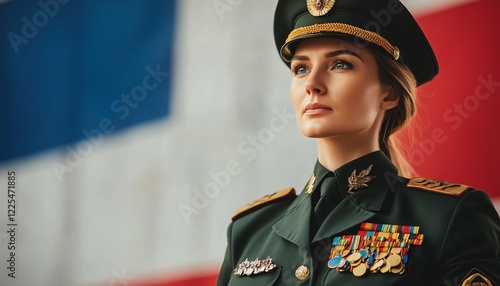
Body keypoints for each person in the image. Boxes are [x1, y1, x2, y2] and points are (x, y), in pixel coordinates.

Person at [217, 0, 500, 285]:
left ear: (389, 93)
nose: (312, 83)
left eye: (341, 64)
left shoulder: (448, 218)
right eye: (300, 69)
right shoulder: (248, 231)